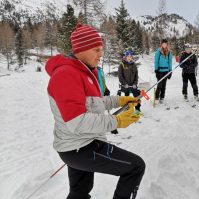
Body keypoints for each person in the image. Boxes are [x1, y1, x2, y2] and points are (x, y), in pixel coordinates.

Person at [45, 23, 145, 199]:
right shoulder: (66, 75)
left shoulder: (82, 71)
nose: (101, 54)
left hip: (79, 145)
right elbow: (78, 122)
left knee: (80, 191)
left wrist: (120, 100)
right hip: (80, 147)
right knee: (135, 167)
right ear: (82, 49)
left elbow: (94, 103)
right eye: (97, 49)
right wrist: (118, 121)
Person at [154, 39, 173, 103]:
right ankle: (156, 97)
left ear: (167, 44)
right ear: (161, 44)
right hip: (159, 71)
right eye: (163, 44)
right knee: (159, 85)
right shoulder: (158, 52)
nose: (164, 45)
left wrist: (170, 71)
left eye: (165, 44)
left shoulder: (169, 52)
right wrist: (156, 70)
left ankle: (162, 97)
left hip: (166, 71)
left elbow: (170, 62)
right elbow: (156, 62)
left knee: (164, 85)